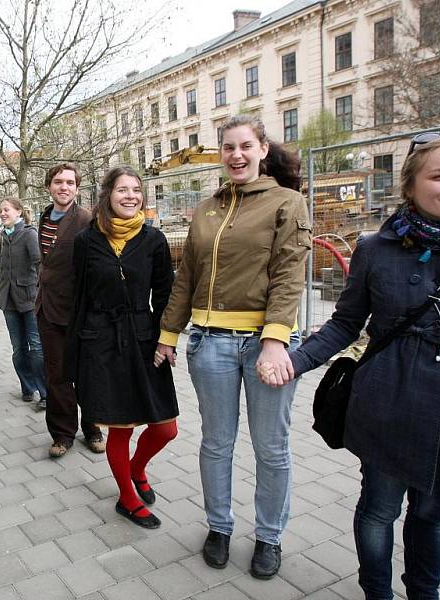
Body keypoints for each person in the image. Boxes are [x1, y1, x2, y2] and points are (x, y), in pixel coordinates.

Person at [265, 135, 440, 599]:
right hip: (387, 403)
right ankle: (376, 593)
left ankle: (425, 592)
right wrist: (294, 361)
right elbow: (345, 322)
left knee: (432, 513)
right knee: (380, 510)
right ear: (410, 184)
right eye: (439, 176)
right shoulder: (375, 247)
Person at [156, 114, 310, 579]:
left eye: (245, 146)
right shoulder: (206, 209)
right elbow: (186, 277)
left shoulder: (288, 203)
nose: (236, 155)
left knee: (271, 447)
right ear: (220, 154)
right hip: (209, 344)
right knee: (217, 444)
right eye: (228, 147)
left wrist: (276, 340)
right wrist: (168, 334)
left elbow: (288, 275)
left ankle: (269, 536)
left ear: (263, 149)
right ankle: (219, 526)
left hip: (268, 346)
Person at [68, 166, 178, 529]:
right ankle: (126, 498)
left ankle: (136, 468)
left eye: (136, 190)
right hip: (102, 340)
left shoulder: (154, 240)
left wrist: (168, 339)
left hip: (145, 337)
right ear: (107, 195)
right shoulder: (86, 241)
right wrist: (76, 353)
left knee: (165, 428)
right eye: (122, 190)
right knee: (121, 429)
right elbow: (78, 297)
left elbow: (164, 294)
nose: (130, 196)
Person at [36, 163, 105, 459]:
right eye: (58, 182)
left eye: (69, 183)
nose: (64, 187)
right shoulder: (43, 218)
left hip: (79, 311)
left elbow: (96, 267)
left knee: (87, 373)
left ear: (77, 188)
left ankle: (92, 428)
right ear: (49, 186)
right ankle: (63, 433)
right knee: (56, 376)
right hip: (48, 310)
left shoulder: (86, 220)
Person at [0, 197, 46, 410]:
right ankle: (27, 386)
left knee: (36, 348)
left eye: (6, 210)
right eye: (0, 210)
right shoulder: (4, 235)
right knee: (18, 348)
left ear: (18, 212)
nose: (2, 213)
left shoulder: (28, 234)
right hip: (8, 300)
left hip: (29, 299)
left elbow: (40, 264)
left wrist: (43, 292)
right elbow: (3, 268)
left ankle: (45, 392)